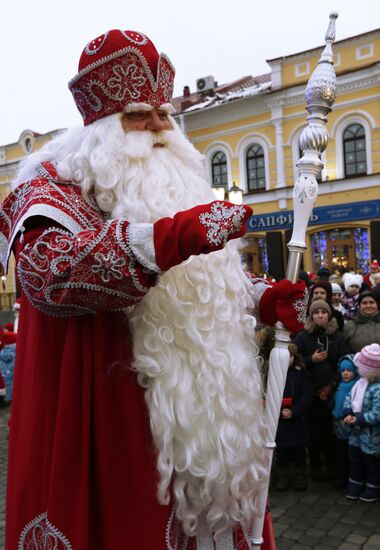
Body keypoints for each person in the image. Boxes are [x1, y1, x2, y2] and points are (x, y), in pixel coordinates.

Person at [0, 29, 307, 550]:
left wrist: (257, 297)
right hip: (110, 425)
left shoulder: (171, 178)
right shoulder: (47, 187)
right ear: (101, 123)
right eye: (141, 115)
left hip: (197, 436)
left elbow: (198, 286)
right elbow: (48, 276)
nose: (162, 127)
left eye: (164, 112)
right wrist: (168, 238)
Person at [295, 300, 348, 480]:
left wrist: (331, 386)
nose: (320, 315)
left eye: (323, 312)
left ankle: (332, 467)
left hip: (331, 390)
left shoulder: (338, 337)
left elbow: (343, 364)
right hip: (310, 392)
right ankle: (316, 466)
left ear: (329, 315)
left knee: (330, 433)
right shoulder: (303, 336)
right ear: (311, 316)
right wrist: (311, 360)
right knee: (313, 434)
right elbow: (296, 361)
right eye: (316, 312)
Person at [273, 343, 313, 492]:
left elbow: (307, 396)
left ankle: (300, 475)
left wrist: (294, 411)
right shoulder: (274, 374)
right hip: (280, 421)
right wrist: (280, 410)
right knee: (281, 451)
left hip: (298, 420)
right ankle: (282, 475)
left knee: (299, 452)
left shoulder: (302, 374)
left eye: (289, 356)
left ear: (294, 357)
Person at [343, 343, 380, 502]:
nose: (357, 369)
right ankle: (355, 483)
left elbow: (377, 412)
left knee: (371, 463)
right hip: (355, 434)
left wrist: (359, 419)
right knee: (354, 459)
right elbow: (349, 399)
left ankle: (372, 486)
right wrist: (348, 413)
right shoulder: (359, 383)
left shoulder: (377, 388)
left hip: (371, 436)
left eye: (360, 367)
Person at [331, 354, 358, 489]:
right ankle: (339, 478)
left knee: (350, 454)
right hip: (337, 422)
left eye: (349, 370)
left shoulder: (356, 386)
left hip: (349, 423)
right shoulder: (338, 385)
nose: (346, 373)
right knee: (339, 452)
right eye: (343, 371)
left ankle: (349, 479)